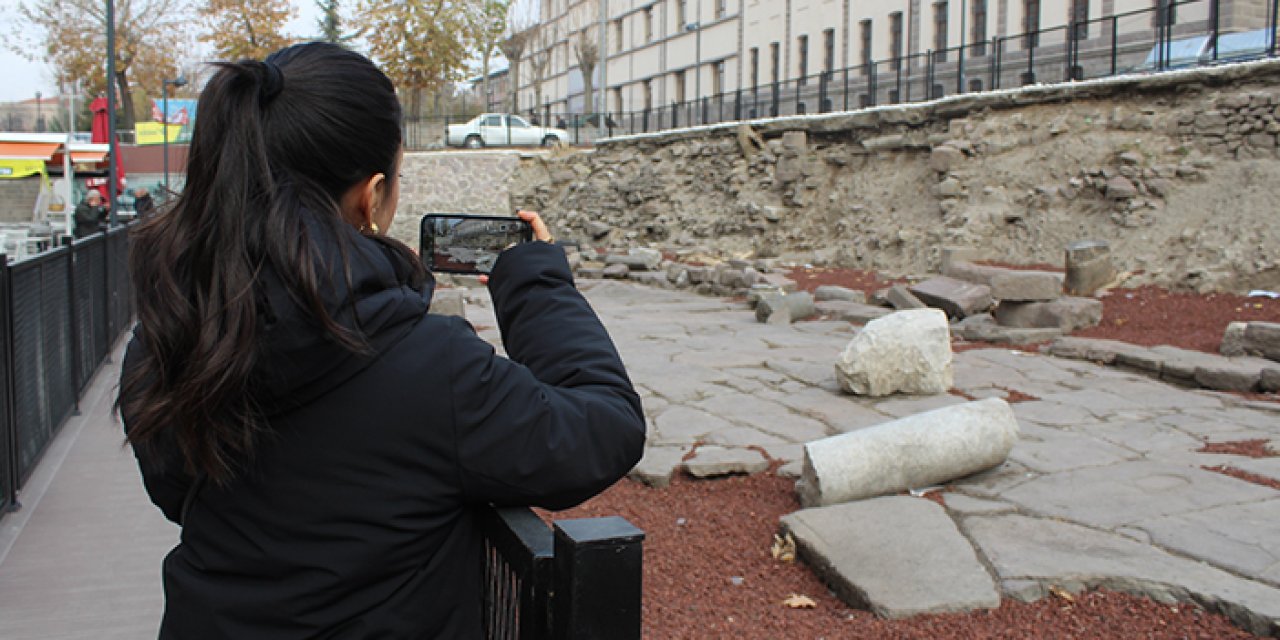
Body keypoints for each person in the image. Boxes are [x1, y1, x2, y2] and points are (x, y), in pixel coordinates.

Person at [117, 42, 645, 638]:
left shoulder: (167, 335)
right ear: (370, 197)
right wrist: (535, 278)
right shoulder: (425, 365)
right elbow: (604, 427)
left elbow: (174, 494)